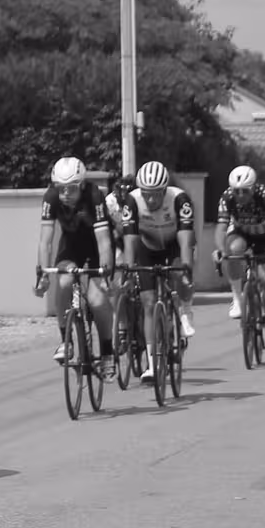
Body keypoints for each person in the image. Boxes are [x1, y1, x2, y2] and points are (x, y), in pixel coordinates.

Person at [103, 160, 196, 382]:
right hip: (147, 247)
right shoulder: (132, 200)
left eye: (156, 194)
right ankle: (153, 365)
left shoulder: (180, 199)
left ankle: (185, 310)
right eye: (146, 194)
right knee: (148, 301)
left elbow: (185, 239)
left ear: (165, 190)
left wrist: (185, 267)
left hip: (174, 244)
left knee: (179, 274)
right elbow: (130, 239)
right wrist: (128, 269)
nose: (151, 199)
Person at [32, 157, 114, 367]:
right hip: (71, 245)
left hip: (96, 247)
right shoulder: (51, 197)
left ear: (82, 185)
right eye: (61, 189)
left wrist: (105, 275)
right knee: (64, 282)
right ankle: (65, 342)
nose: (66, 194)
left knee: (97, 301)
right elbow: (45, 242)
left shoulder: (94, 196)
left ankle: (107, 352)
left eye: (72, 188)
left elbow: (104, 242)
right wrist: (42, 276)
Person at [214, 164, 265, 347]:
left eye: (245, 191)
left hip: (264, 237)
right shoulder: (227, 197)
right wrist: (220, 249)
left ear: (253, 188)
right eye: (236, 191)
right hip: (241, 233)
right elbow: (221, 227)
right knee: (233, 251)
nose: (240, 195)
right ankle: (237, 298)